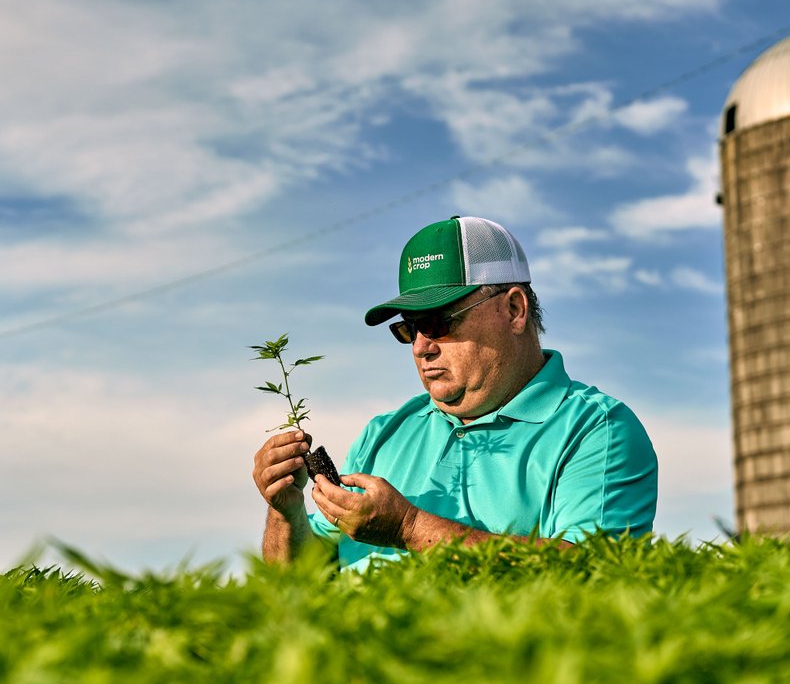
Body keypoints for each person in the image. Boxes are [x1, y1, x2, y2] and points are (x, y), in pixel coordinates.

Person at [252, 215, 658, 570]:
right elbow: (300, 586)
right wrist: (286, 514)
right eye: (409, 328)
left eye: (439, 321)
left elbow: (591, 578)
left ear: (514, 310)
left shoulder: (597, 431)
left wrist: (408, 527)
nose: (420, 346)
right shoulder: (383, 434)